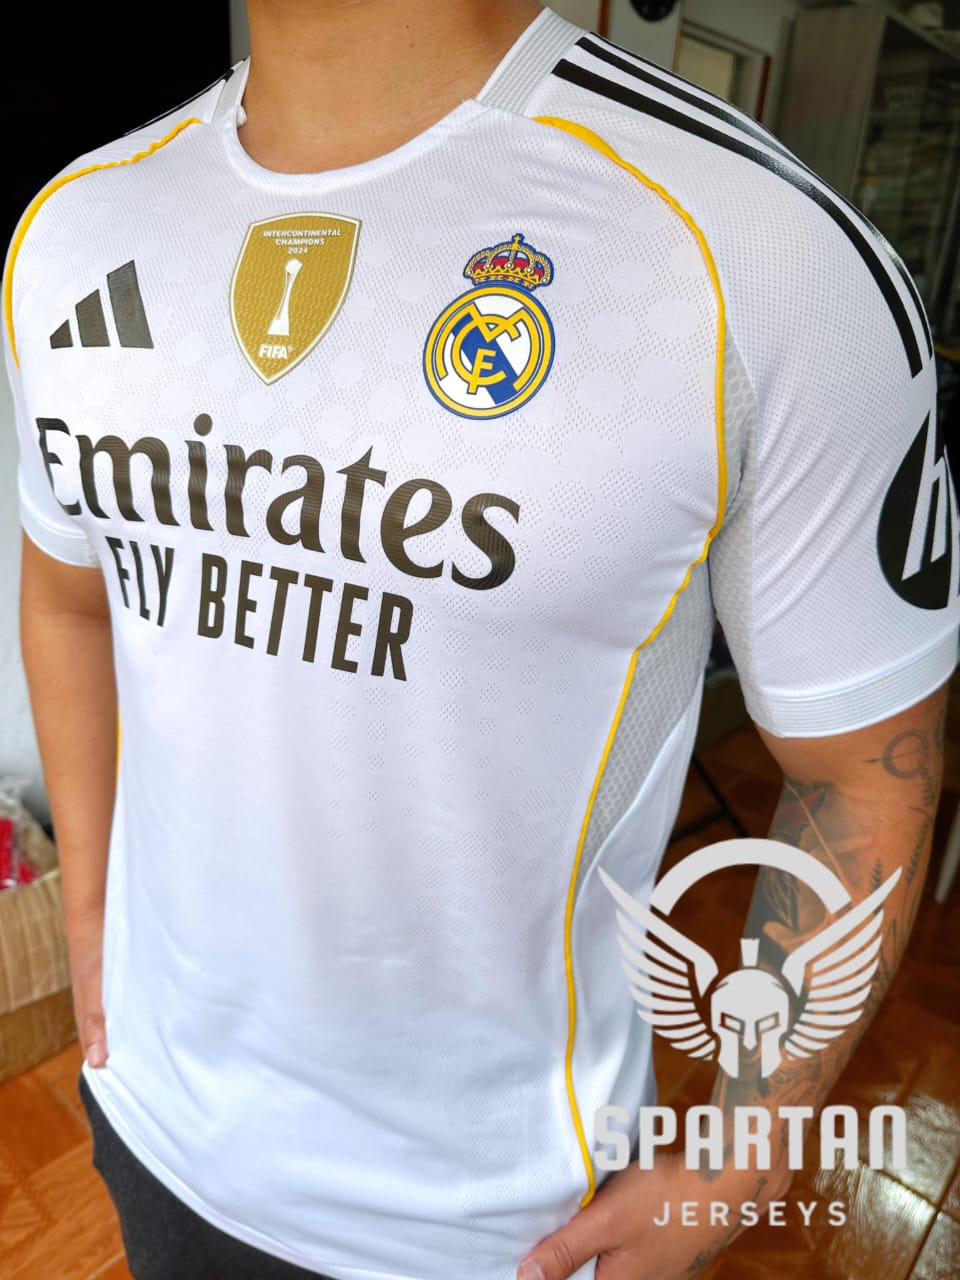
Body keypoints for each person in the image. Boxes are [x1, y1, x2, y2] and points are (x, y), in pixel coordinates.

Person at [4, 2, 955, 1278]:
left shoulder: (764, 256)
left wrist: (750, 1143)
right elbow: (69, 598)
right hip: (153, 1125)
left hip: (497, 1227)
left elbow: (863, 766)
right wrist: (91, 919)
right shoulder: (74, 224)